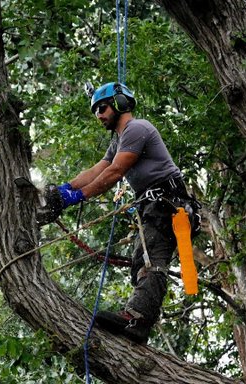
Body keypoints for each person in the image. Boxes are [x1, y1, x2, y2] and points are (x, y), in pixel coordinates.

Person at [44, 82, 199, 344]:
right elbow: (98, 169)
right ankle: (136, 319)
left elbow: (114, 173)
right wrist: (65, 189)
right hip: (153, 207)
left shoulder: (137, 128)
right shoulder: (119, 140)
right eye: (95, 111)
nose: (99, 115)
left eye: (102, 108)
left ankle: (137, 318)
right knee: (140, 260)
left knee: (151, 260)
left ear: (119, 103)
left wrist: (78, 196)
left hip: (167, 205)